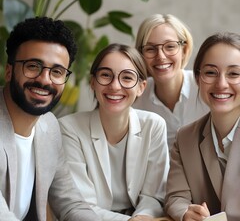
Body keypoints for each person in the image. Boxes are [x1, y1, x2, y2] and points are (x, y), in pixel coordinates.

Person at [0, 16, 101, 221]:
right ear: (9, 71)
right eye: (33, 66)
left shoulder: (49, 125)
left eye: (57, 71)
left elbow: (70, 202)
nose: (44, 80)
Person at [59, 43, 170, 221]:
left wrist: (142, 216)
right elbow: (80, 205)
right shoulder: (68, 128)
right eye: (105, 75)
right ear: (93, 82)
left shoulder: (153, 125)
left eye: (127, 78)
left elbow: (154, 195)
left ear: (141, 87)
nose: (115, 86)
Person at [165, 32, 240, 221]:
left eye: (234, 74)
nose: (221, 84)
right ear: (197, 79)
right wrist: (185, 212)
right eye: (210, 73)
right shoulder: (185, 138)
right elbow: (176, 197)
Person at [133, 14, 209, 150]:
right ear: (141, 55)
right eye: (150, 49)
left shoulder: (206, 88)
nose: (161, 56)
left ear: (184, 50)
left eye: (170, 46)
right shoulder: (136, 99)